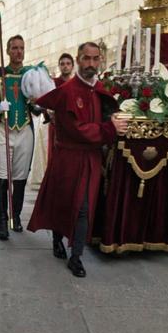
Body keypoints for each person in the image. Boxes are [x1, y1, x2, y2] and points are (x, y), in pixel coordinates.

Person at [28, 41, 129, 278]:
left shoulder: (99, 87)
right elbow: (78, 129)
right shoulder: (67, 91)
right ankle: (56, 240)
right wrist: (109, 129)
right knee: (61, 201)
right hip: (68, 157)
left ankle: (76, 257)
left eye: (95, 59)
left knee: (84, 207)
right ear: (78, 59)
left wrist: (114, 121)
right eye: (86, 59)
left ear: (100, 61)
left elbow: (105, 114)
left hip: (90, 159)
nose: (91, 64)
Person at [0, 35, 42, 239]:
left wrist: (38, 104)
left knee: (20, 178)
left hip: (25, 129)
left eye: (21, 48)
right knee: (2, 177)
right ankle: (2, 219)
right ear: (8, 51)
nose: (18, 52)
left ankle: (15, 216)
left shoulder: (30, 74)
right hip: (4, 130)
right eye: (14, 48)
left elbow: (36, 108)